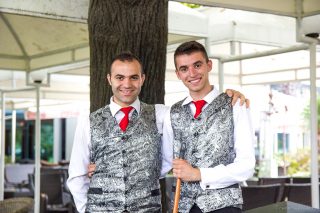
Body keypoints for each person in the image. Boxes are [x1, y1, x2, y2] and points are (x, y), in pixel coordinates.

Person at [67, 51, 248, 213]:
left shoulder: (163, 114)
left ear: (142, 79)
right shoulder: (88, 121)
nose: (127, 84)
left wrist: (231, 95)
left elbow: (196, 108)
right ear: (109, 79)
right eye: (120, 77)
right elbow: (76, 175)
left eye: (134, 77)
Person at [162, 41, 255, 213]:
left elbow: (246, 165)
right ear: (178, 74)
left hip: (223, 207)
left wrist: (200, 174)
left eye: (197, 65)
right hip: (182, 206)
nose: (192, 73)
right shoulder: (171, 112)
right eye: (184, 69)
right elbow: (165, 162)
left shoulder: (236, 105)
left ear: (209, 65)